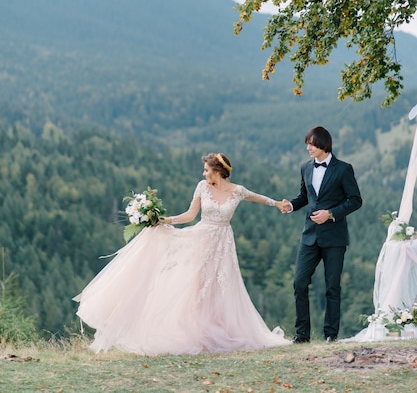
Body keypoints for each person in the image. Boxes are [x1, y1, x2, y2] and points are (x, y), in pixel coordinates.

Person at [74, 152, 290, 355]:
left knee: (222, 286)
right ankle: (199, 331)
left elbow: (257, 197)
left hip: (224, 243)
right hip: (202, 240)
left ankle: (221, 329)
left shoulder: (237, 190)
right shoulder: (202, 188)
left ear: (218, 171)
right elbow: (190, 214)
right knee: (198, 285)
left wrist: (277, 203)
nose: (203, 174)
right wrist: (167, 221)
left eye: (206, 170)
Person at [277, 126, 362, 344]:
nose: (308, 148)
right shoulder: (305, 167)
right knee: (299, 282)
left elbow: (355, 200)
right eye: (307, 143)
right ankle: (302, 334)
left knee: (332, 287)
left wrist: (331, 214)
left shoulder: (343, 169)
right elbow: (305, 196)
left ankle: (330, 335)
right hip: (309, 236)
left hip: (335, 238)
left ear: (324, 145)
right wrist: (291, 206)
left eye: (312, 144)